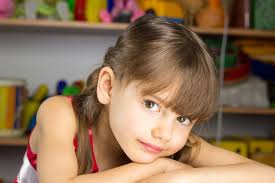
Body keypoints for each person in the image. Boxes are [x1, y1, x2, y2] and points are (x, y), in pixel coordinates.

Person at [14, 16, 275, 183]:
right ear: (108, 87)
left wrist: (180, 178)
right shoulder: (62, 115)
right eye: (151, 104)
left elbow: (267, 176)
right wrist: (157, 170)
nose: (164, 132)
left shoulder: (173, 143)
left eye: (183, 118)